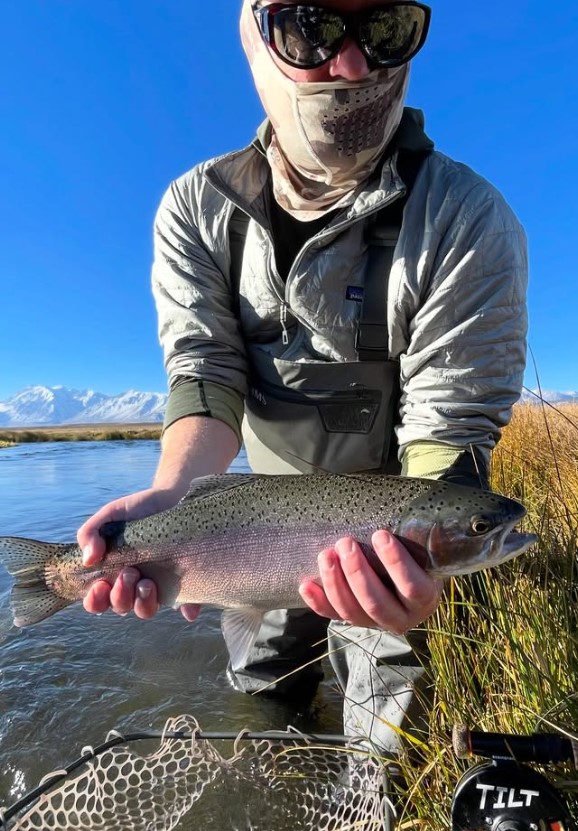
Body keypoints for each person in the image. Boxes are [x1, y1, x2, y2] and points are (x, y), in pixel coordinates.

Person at [78, 0, 528, 781]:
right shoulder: (196, 210)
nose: (350, 65)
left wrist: (427, 562)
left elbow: (448, 432)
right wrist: (173, 493)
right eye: (309, 27)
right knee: (256, 696)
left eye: (384, 28)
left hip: (385, 538)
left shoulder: (466, 220)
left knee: (387, 750)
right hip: (252, 516)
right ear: (256, 38)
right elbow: (206, 373)